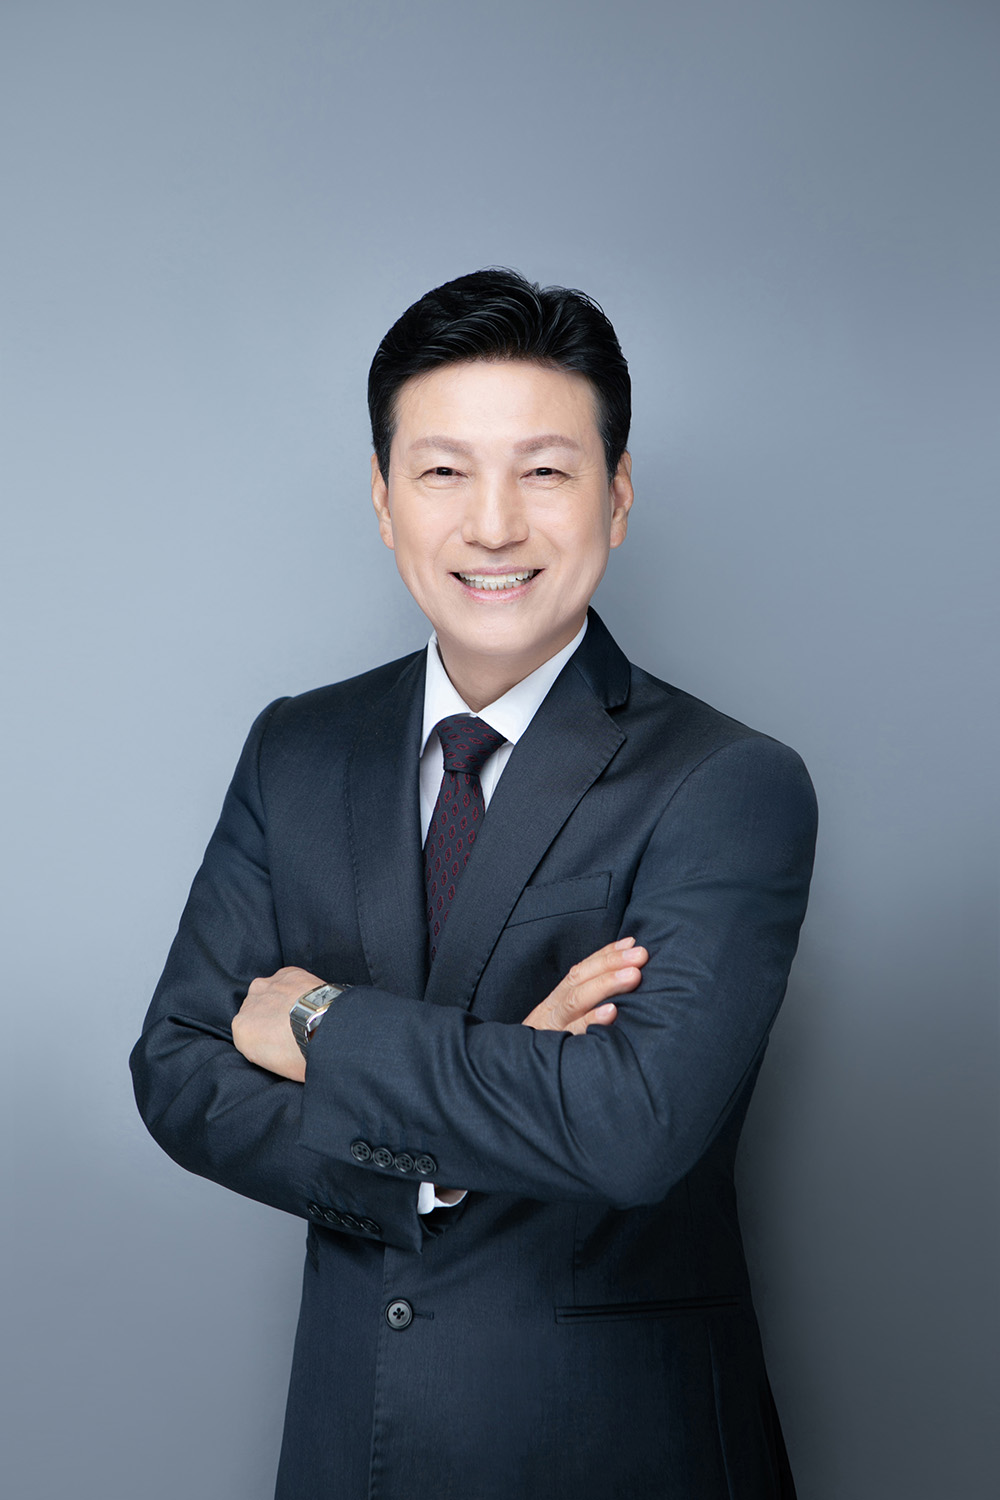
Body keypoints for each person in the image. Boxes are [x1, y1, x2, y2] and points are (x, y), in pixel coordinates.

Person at [130, 268, 817, 1499]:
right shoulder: (297, 748)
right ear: (383, 501)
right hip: (347, 1448)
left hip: (619, 1456)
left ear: (615, 496)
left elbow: (630, 1127)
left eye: (544, 471)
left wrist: (320, 1023)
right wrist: (447, 1147)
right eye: (443, 471)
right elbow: (180, 1070)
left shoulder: (727, 782)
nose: (493, 526)